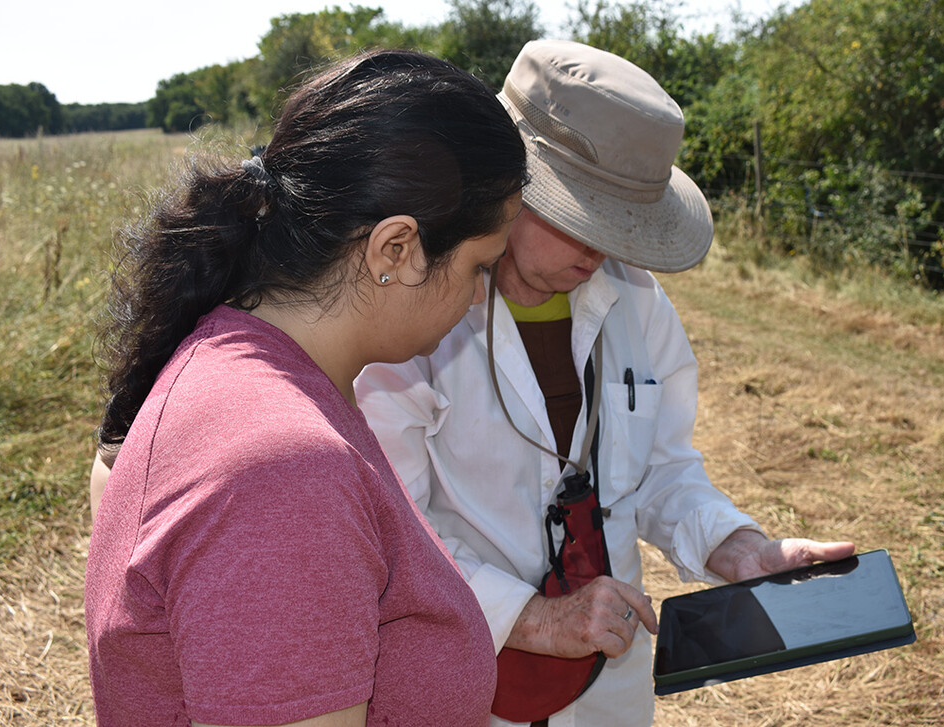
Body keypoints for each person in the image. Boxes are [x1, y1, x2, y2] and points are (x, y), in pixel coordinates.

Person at [354, 40, 855, 727]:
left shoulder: (638, 302)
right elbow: (393, 528)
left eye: (621, 223)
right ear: (508, 181)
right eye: (577, 213)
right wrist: (533, 617)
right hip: (464, 676)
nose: (600, 248)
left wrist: (739, 549)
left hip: (608, 682)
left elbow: (661, 470)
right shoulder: (410, 319)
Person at [84, 49, 526, 727]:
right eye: (480, 267)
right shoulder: (284, 470)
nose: (477, 299)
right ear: (395, 250)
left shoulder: (258, 372)